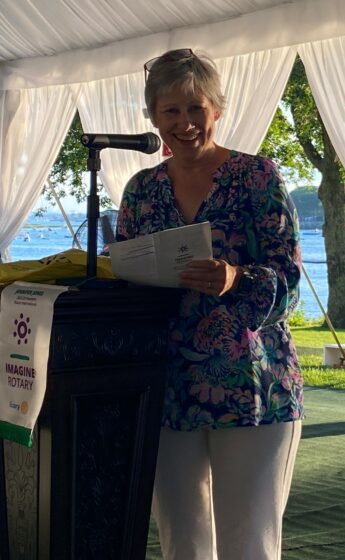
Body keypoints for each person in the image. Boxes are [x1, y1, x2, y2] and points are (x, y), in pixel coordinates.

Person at [115, 48, 303, 560]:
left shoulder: (258, 177)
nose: (184, 122)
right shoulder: (141, 192)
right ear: (152, 117)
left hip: (251, 387)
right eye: (170, 111)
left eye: (195, 108)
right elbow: (125, 279)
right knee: (183, 544)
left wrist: (237, 278)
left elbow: (289, 279)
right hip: (168, 386)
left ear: (217, 110)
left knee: (249, 543)